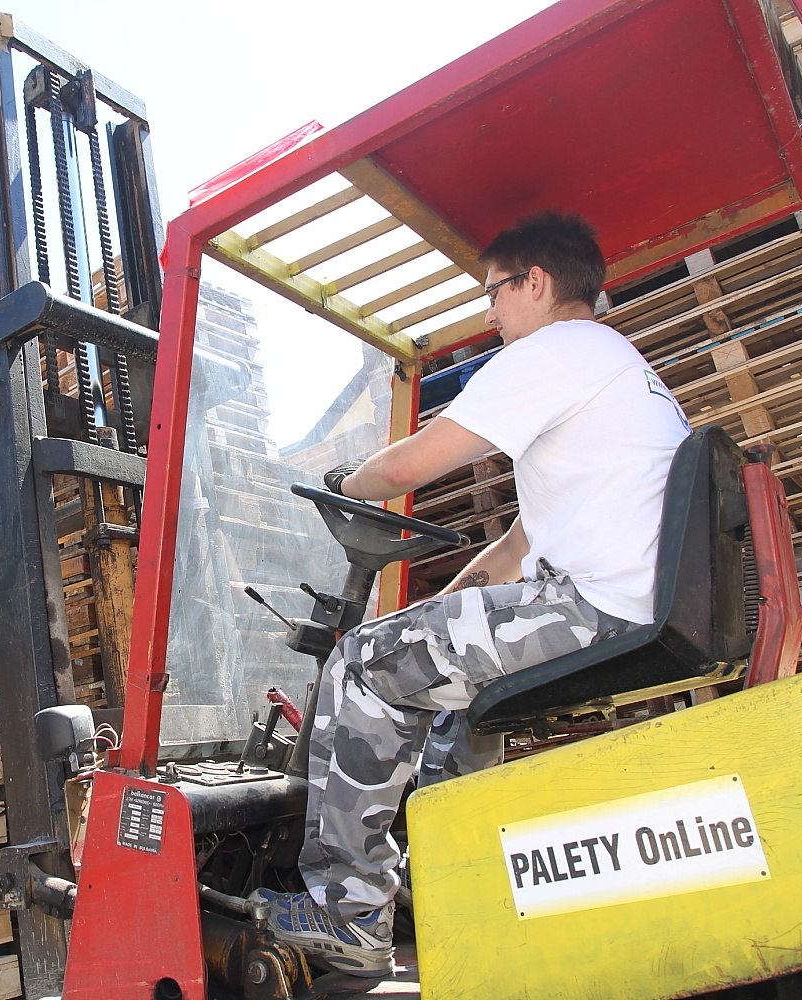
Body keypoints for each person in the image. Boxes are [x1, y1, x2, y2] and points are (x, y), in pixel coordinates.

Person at [251, 211, 692, 977]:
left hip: (594, 612)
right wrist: (417, 620)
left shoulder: (556, 350)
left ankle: (348, 915)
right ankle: (449, 884)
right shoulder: (613, 370)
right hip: (628, 610)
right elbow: (515, 551)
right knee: (433, 680)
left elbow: (406, 468)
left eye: (494, 294)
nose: (488, 314)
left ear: (537, 283)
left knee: (358, 667)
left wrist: (343, 484)